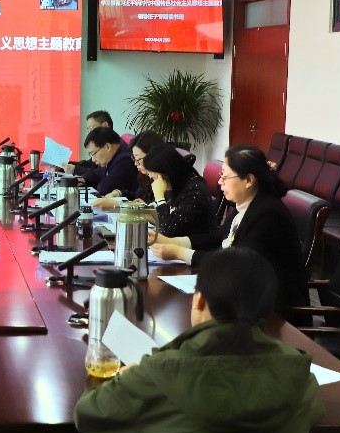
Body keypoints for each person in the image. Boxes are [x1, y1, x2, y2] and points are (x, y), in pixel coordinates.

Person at [74, 247, 324, 433]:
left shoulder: (160, 374)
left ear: (199, 299)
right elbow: (316, 411)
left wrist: (129, 377)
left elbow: (89, 416)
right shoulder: (299, 375)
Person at [151, 144, 307, 309]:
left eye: (225, 177)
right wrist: (174, 241)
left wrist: (180, 253)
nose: (220, 182)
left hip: (271, 308)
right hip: (243, 293)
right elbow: (218, 236)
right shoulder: (247, 203)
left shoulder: (268, 214)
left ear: (248, 180)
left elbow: (237, 265)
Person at [120, 143, 217, 238]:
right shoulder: (178, 184)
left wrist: (159, 197)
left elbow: (168, 230)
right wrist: (143, 211)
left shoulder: (194, 190)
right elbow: (167, 218)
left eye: (155, 178)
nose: (154, 183)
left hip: (193, 246)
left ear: (166, 172)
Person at [81, 126, 137, 201]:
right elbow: (97, 173)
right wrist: (81, 179)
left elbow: (104, 189)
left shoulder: (125, 161)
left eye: (93, 154)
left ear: (108, 147)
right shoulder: (113, 158)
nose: (93, 159)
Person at [64, 111, 114, 178]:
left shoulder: (114, 147)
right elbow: (88, 164)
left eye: (91, 128)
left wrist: (74, 169)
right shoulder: (100, 145)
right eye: (87, 130)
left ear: (105, 125)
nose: (88, 133)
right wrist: (64, 165)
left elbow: (100, 174)